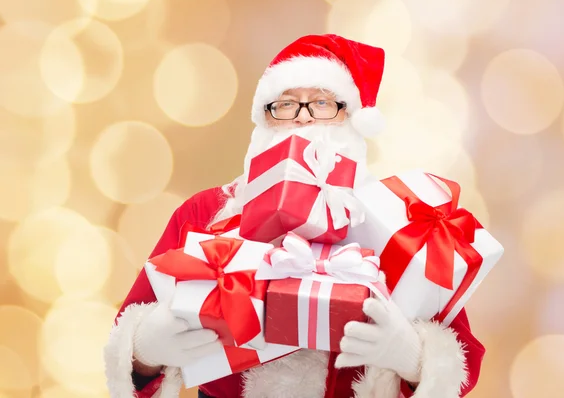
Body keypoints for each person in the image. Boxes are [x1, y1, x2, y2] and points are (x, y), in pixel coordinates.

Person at [104, 34, 485, 398]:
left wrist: (413, 357)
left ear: (351, 117)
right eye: (286, 104)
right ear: (265, 120)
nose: (304, 118)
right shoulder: (206, 212)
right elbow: (127, 341)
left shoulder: (396, 223)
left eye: (323, 102)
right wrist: (145, 350)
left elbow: (461, 362)